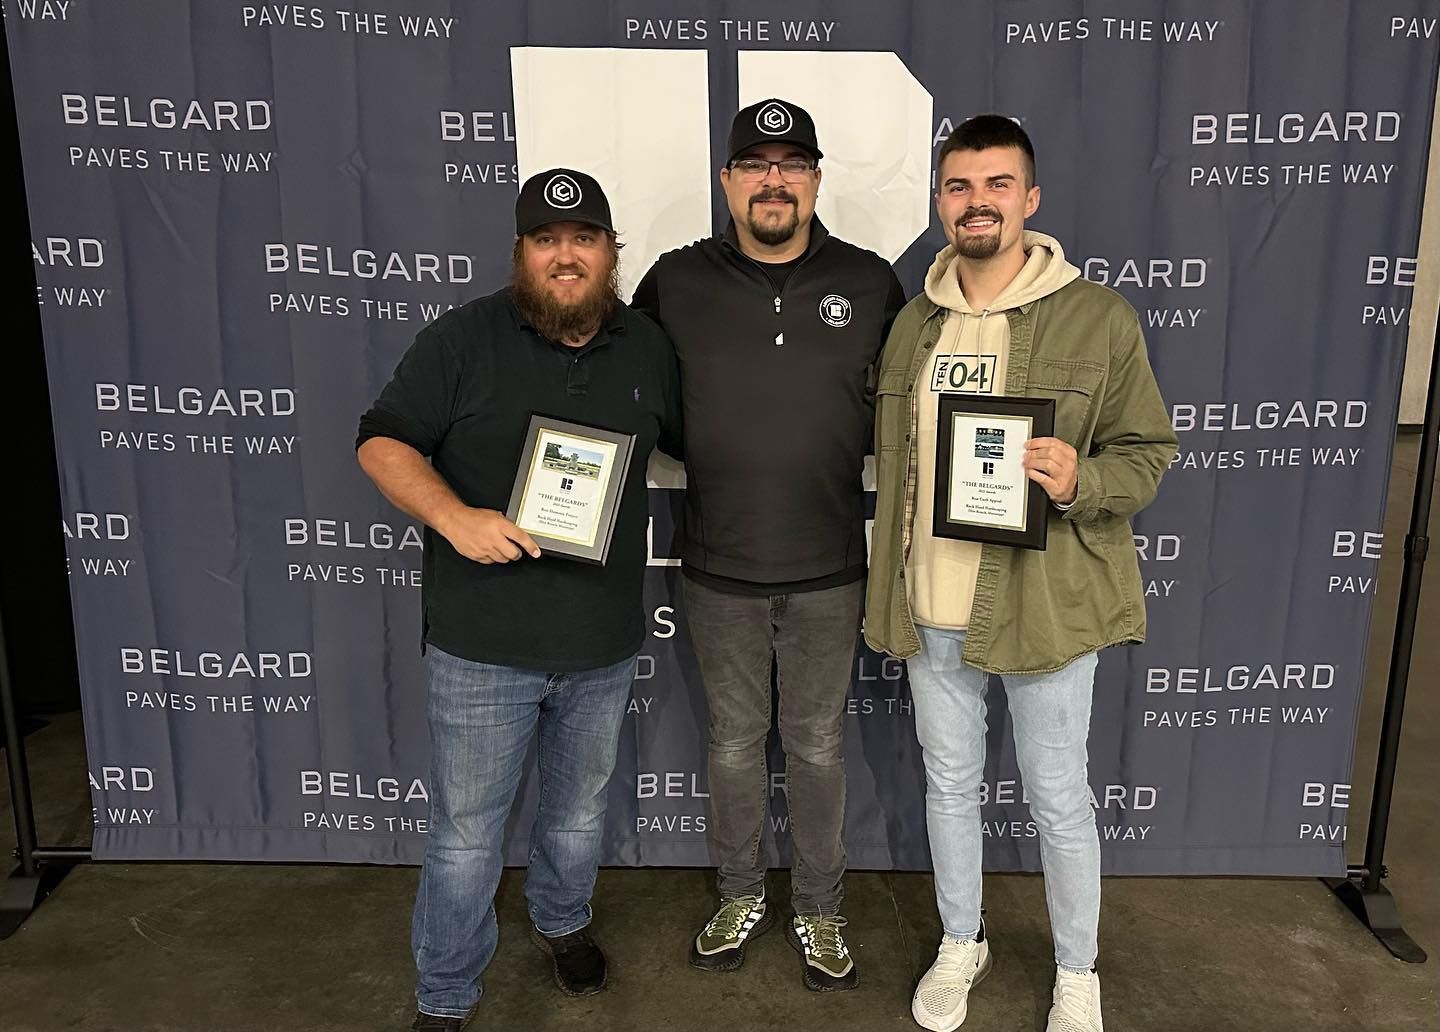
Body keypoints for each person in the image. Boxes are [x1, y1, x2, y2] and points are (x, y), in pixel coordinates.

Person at [864, 116, 1177, 1032]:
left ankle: (1077, 969)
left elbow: (1148, 452)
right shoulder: (911, 322)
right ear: (940, 201)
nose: (977, 203)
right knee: (950, 784)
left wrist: (1084, 478)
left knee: (1055, 795)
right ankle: (963, 940)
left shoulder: (1098, 316)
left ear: (1029, 199)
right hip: (931, 600)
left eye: (997, 185)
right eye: (959, 187)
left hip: (1046, 606)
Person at [356, 168, 681, 1032]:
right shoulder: (461, 339)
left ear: (612, 252)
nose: (566, 256)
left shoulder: (648, 345)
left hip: (603, 642)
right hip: (482, 644)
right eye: (547, 240)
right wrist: (453, 516)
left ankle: (563, 921)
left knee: (576, 818)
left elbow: (694, 446)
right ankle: (446, 994)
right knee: (467, 835)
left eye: (584, 239)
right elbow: (382, 442)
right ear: (521, 253)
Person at [632, 98, 905, 993]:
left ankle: (820, 909)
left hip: (831, 569)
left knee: (820, 747)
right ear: (728, 182)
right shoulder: (674, 281)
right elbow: (623, 393)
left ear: (817, 179)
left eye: (792, 165)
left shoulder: (870, 282)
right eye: (755, 164)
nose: (774, 180)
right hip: (717, 569)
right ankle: (741, 893)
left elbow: (912, 415)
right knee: (737, 746)